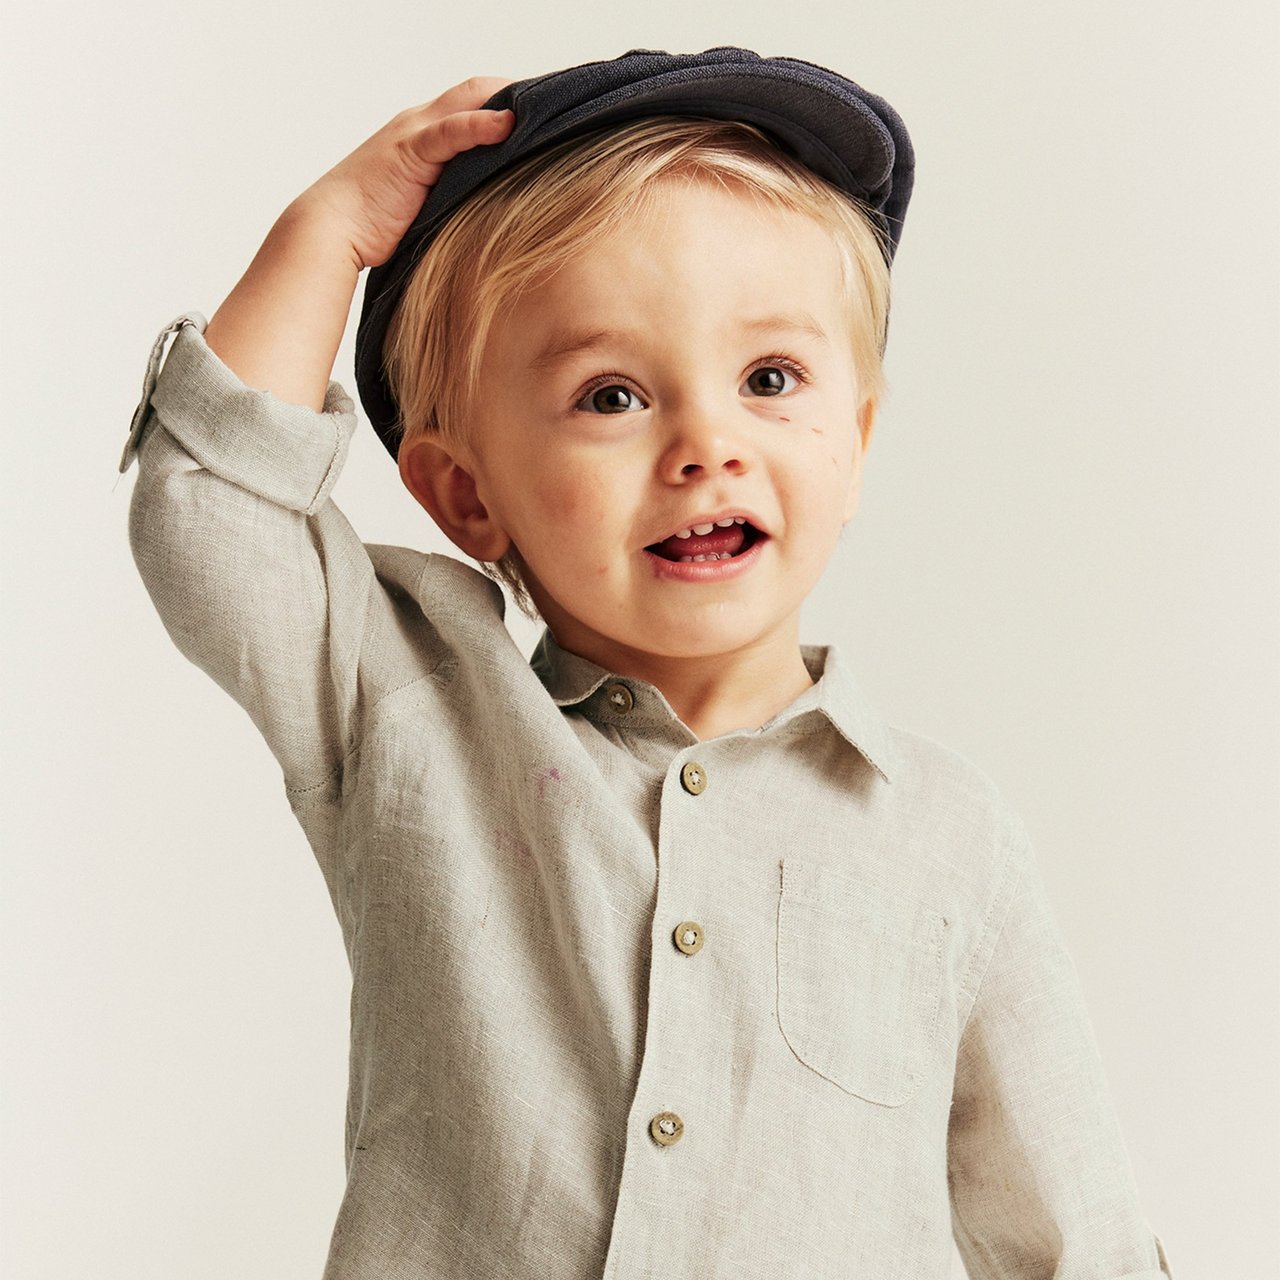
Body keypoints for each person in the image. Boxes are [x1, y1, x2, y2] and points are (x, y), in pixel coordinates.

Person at [119, 47, 1173, 1280]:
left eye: (768, 378)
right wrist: (327, 232)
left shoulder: (946, 836)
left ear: (857, 438)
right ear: (464, 495)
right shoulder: (407, 706)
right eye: (611, 395)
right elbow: (212, 514)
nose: (704, 443)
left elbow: (1070, 1230)